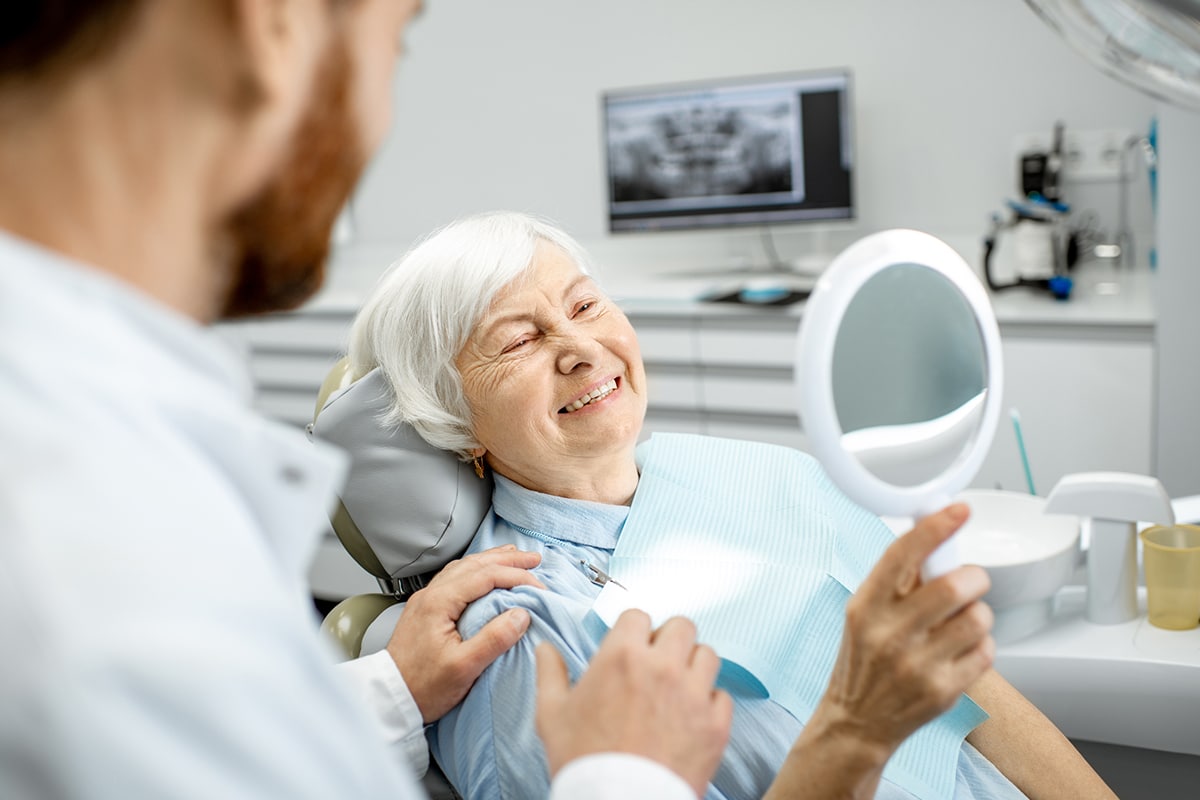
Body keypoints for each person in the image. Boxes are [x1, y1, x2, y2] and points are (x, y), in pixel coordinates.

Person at [0, 3, 728, 798]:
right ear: (272, 25)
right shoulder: (86, 538)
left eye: (585, 306)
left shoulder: (95, 455)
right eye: (399, 35)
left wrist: (394, 691)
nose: (579, 347)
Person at [347, 210, 1118, 799]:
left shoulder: (756, 471)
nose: (579, 348)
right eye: (518, 341)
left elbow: (973, 692)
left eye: (584, 307)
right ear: (454, 418)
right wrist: (855, 729)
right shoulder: (514, 634)